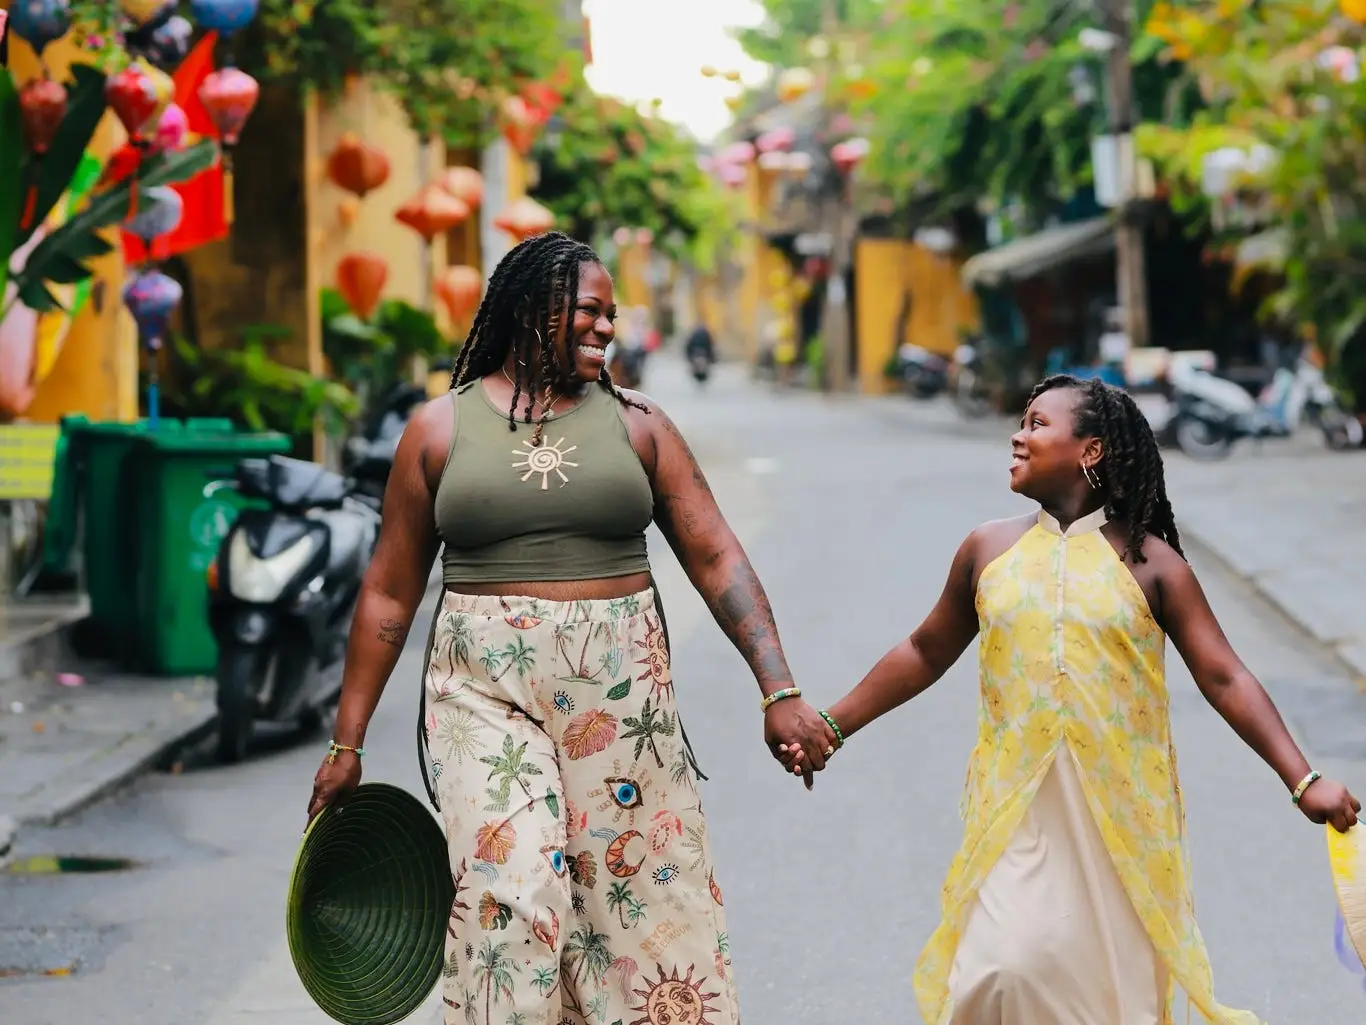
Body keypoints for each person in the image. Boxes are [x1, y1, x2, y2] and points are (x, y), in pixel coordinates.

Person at [306, 231, 836, 1025]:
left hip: (623, 703)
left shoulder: (641, 426)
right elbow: (387, 592)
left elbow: (717, 555)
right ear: (532, 311)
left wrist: (780, 687)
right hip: (481, 694)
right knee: (508, 882)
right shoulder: (439, 431)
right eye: (588, 310)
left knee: (635, 907)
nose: (604, 328)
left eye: (610, 315)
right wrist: (347, 743)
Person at [781, 374, 1360, 1025]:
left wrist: (1302, 777)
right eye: (1022, 422)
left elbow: (1225, 676)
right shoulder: (987, 549)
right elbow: (923, 650)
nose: (1017, 435)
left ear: (1090, 451)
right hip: (1014, 810)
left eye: (1035, 423)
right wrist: (831, 725)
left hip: (1119, 821)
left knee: (1105, 998)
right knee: (1001, 968)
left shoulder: (1153, 565)